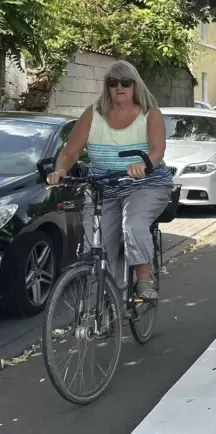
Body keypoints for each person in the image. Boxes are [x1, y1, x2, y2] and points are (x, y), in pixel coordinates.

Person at [47, 60, 174, 300]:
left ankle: (144, 277)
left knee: (133, 224)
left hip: (145, 184)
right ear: (107, 87)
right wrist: (61, 171)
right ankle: (104, 309)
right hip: (104, 187)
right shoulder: (93, 114)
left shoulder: (150, 113)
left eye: (125, 82)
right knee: (95, 247)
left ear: (135, 85)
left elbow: (157, 151)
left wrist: (143, 164)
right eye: (112, 82)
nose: (119, 87)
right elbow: (70, 152)